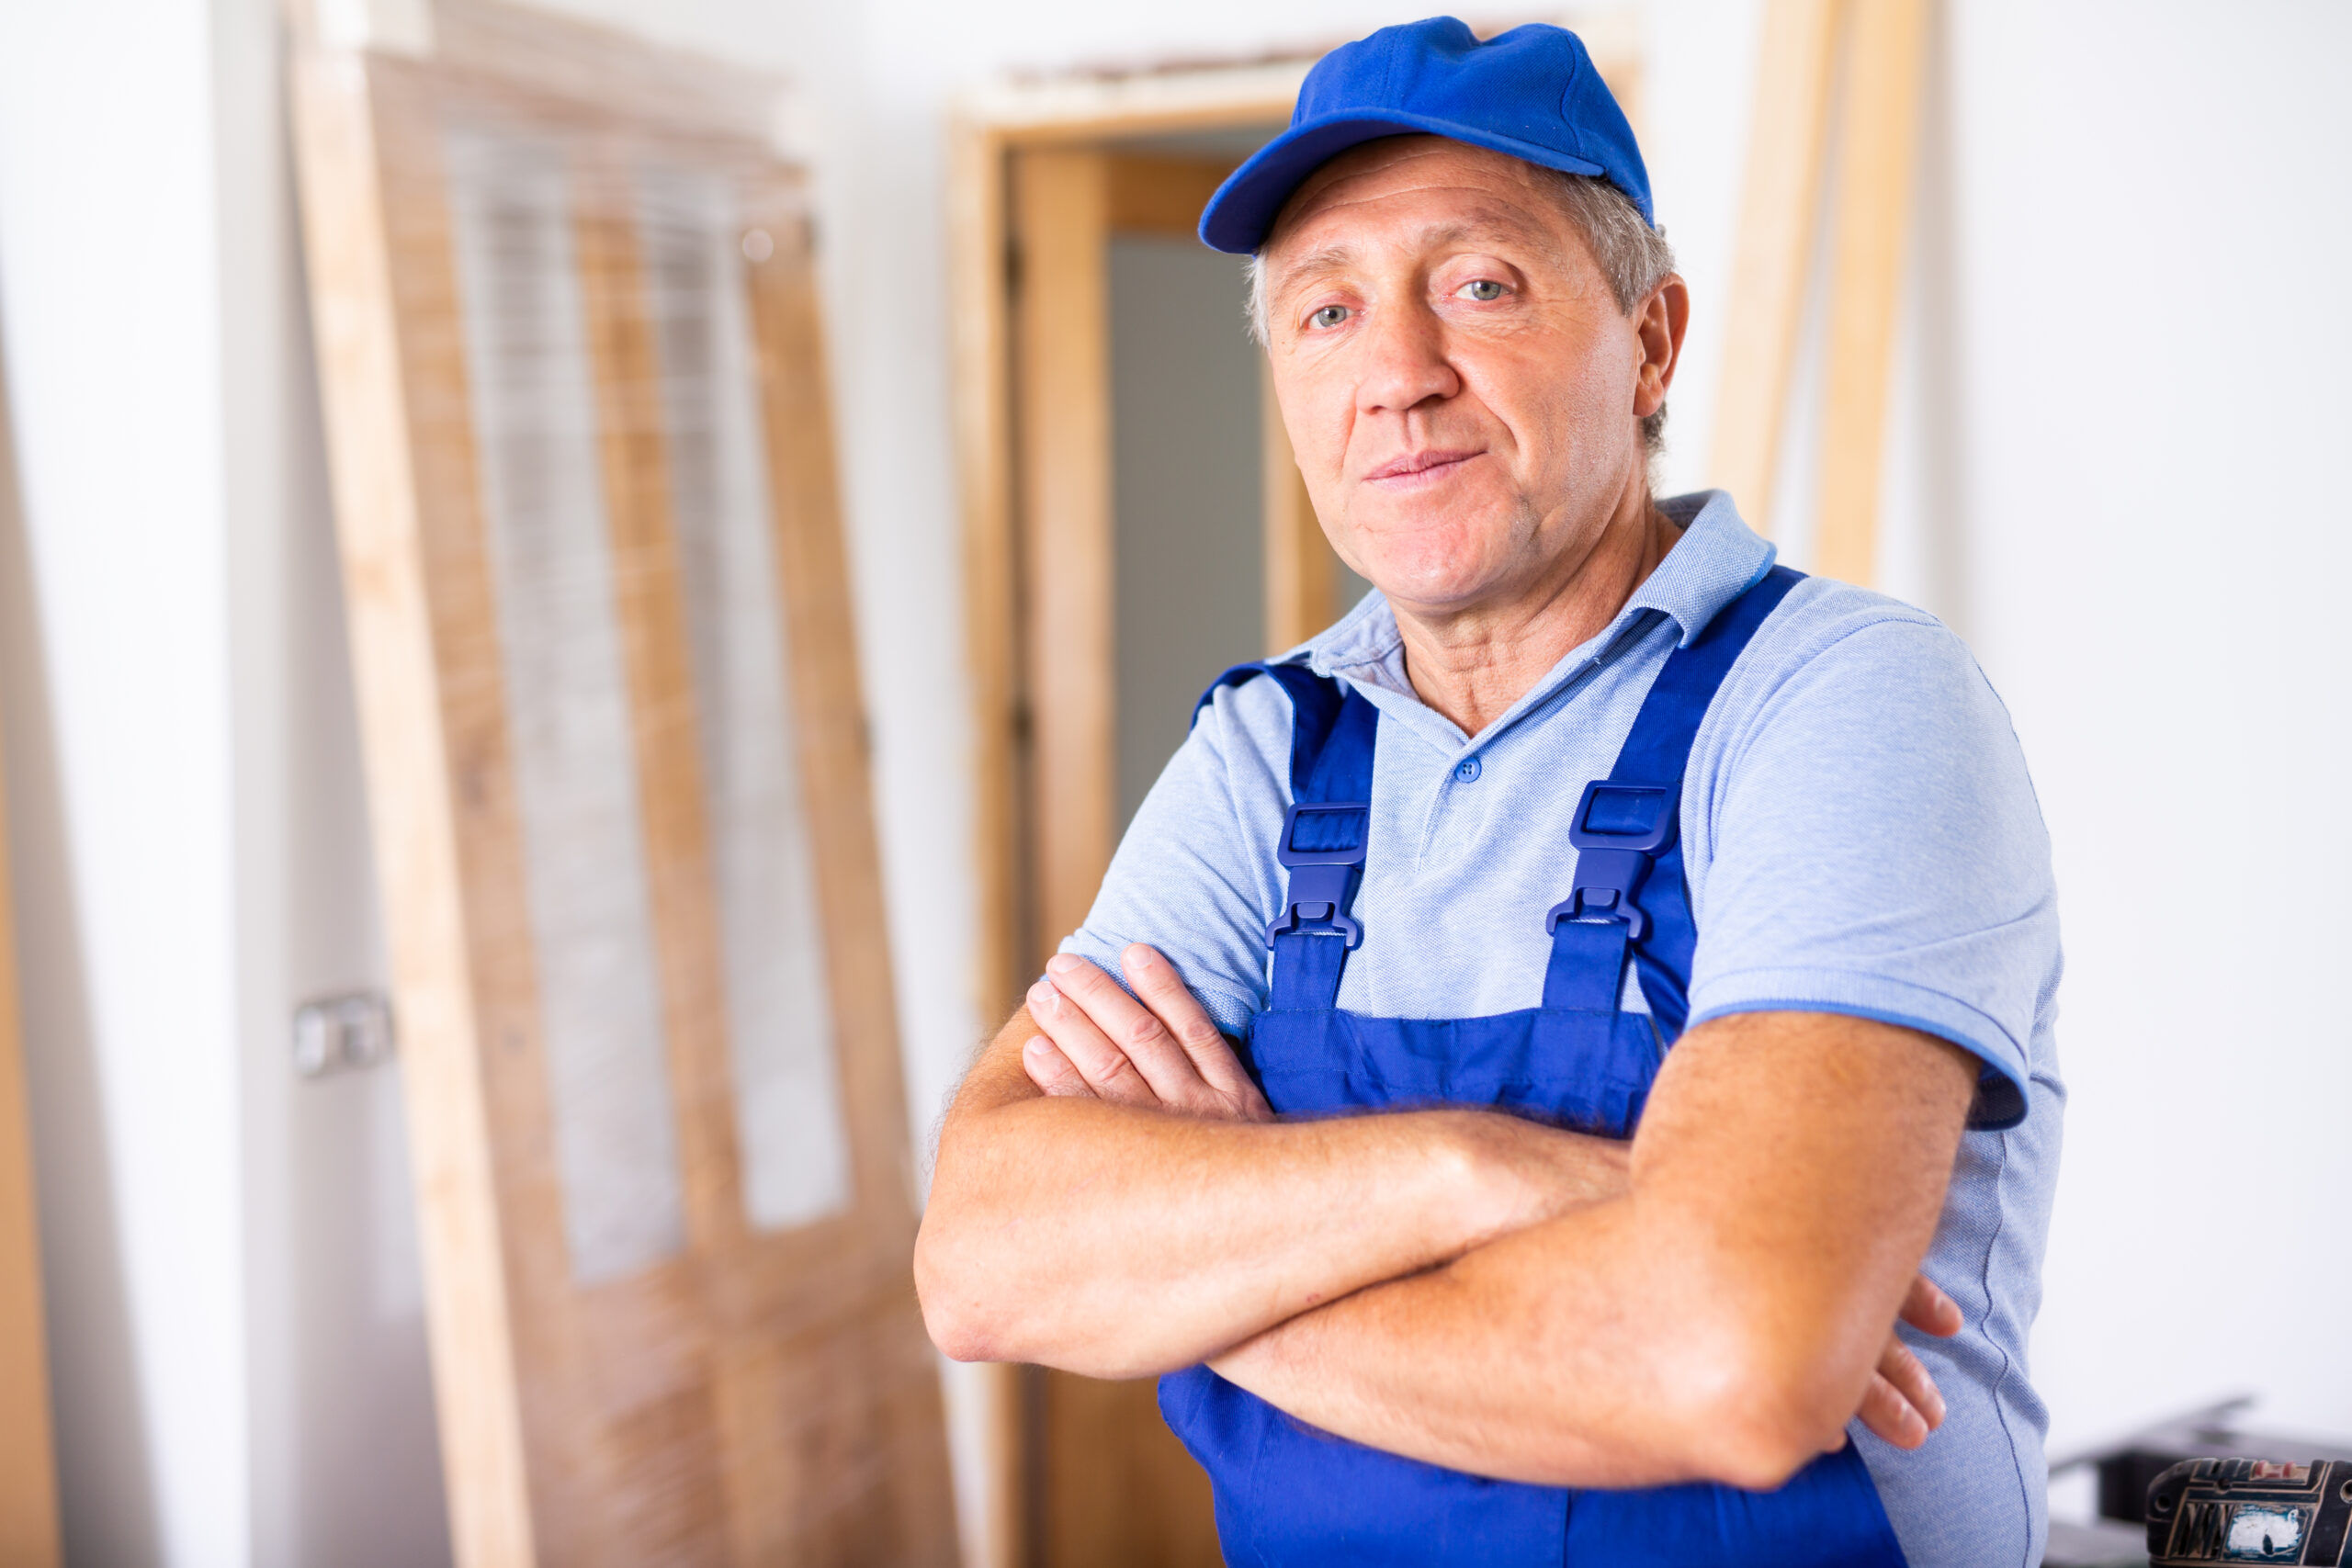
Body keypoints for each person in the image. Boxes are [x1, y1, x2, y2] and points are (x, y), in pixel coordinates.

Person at [916, 17, 2063, 1567]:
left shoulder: (1839, 703)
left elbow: (1726, 1363)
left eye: (1479, 286)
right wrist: (1496, 1172)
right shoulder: (1270, 755)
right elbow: (987, 1261)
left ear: (1650, 340)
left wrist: (1201, 1293)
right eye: (1326, 310)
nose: (1397, 377)